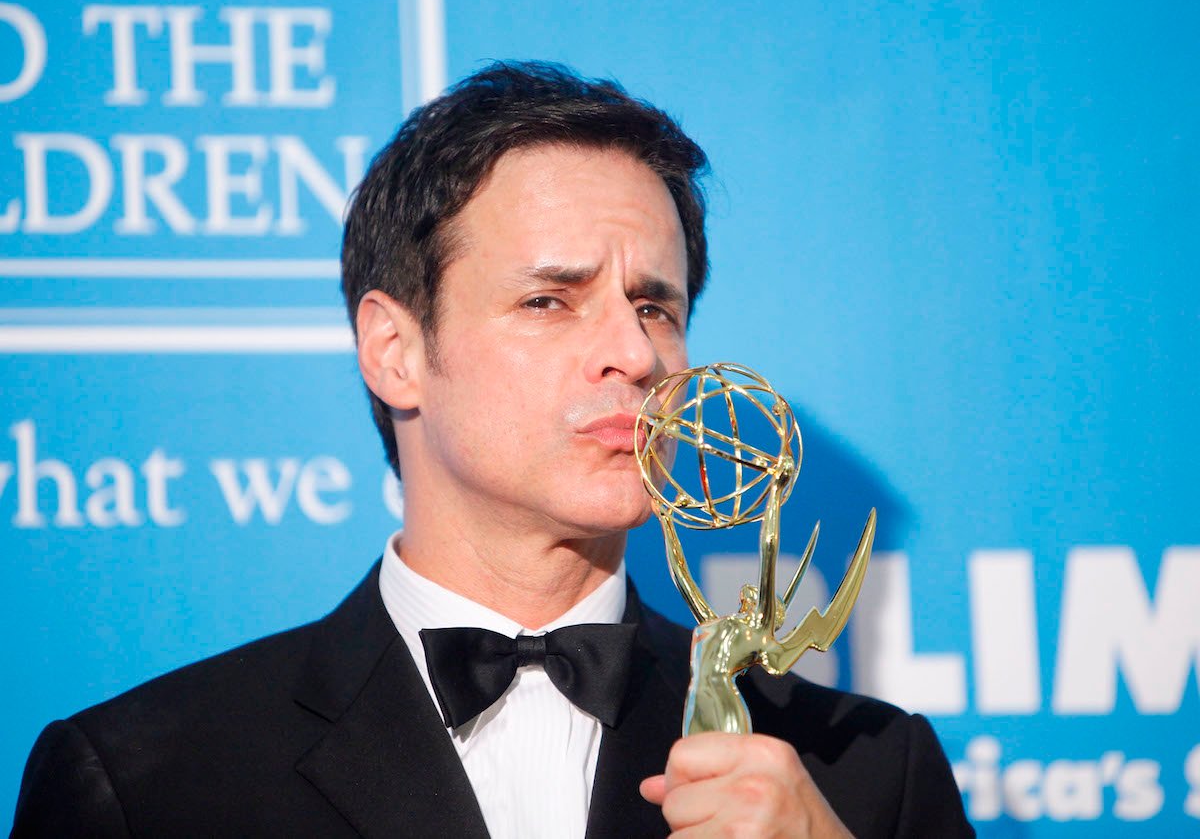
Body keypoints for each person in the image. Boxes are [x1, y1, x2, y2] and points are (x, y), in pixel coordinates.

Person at [12, 61, 973, 838]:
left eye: (655, 307)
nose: (634, 355)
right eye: (549, 301)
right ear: (396, 353)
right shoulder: (150, 782)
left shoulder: (861, 773)